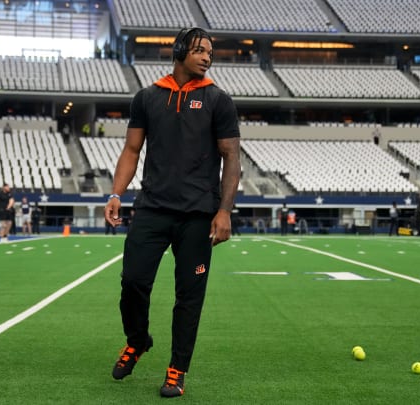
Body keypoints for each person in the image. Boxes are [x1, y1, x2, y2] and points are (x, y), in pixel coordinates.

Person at [104, 26, 241, 398]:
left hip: (198, 216)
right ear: (180, 50)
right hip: (152, 209)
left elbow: (231, 157)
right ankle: (138, 340)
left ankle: (177, 370)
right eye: (199, 50)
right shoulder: (147, 97)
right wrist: (116, 193)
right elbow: (132, 150)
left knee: (189, 297)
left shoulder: (219, 100)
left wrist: (224, 211)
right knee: (132, 281)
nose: (207, 57)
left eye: (210, 52)